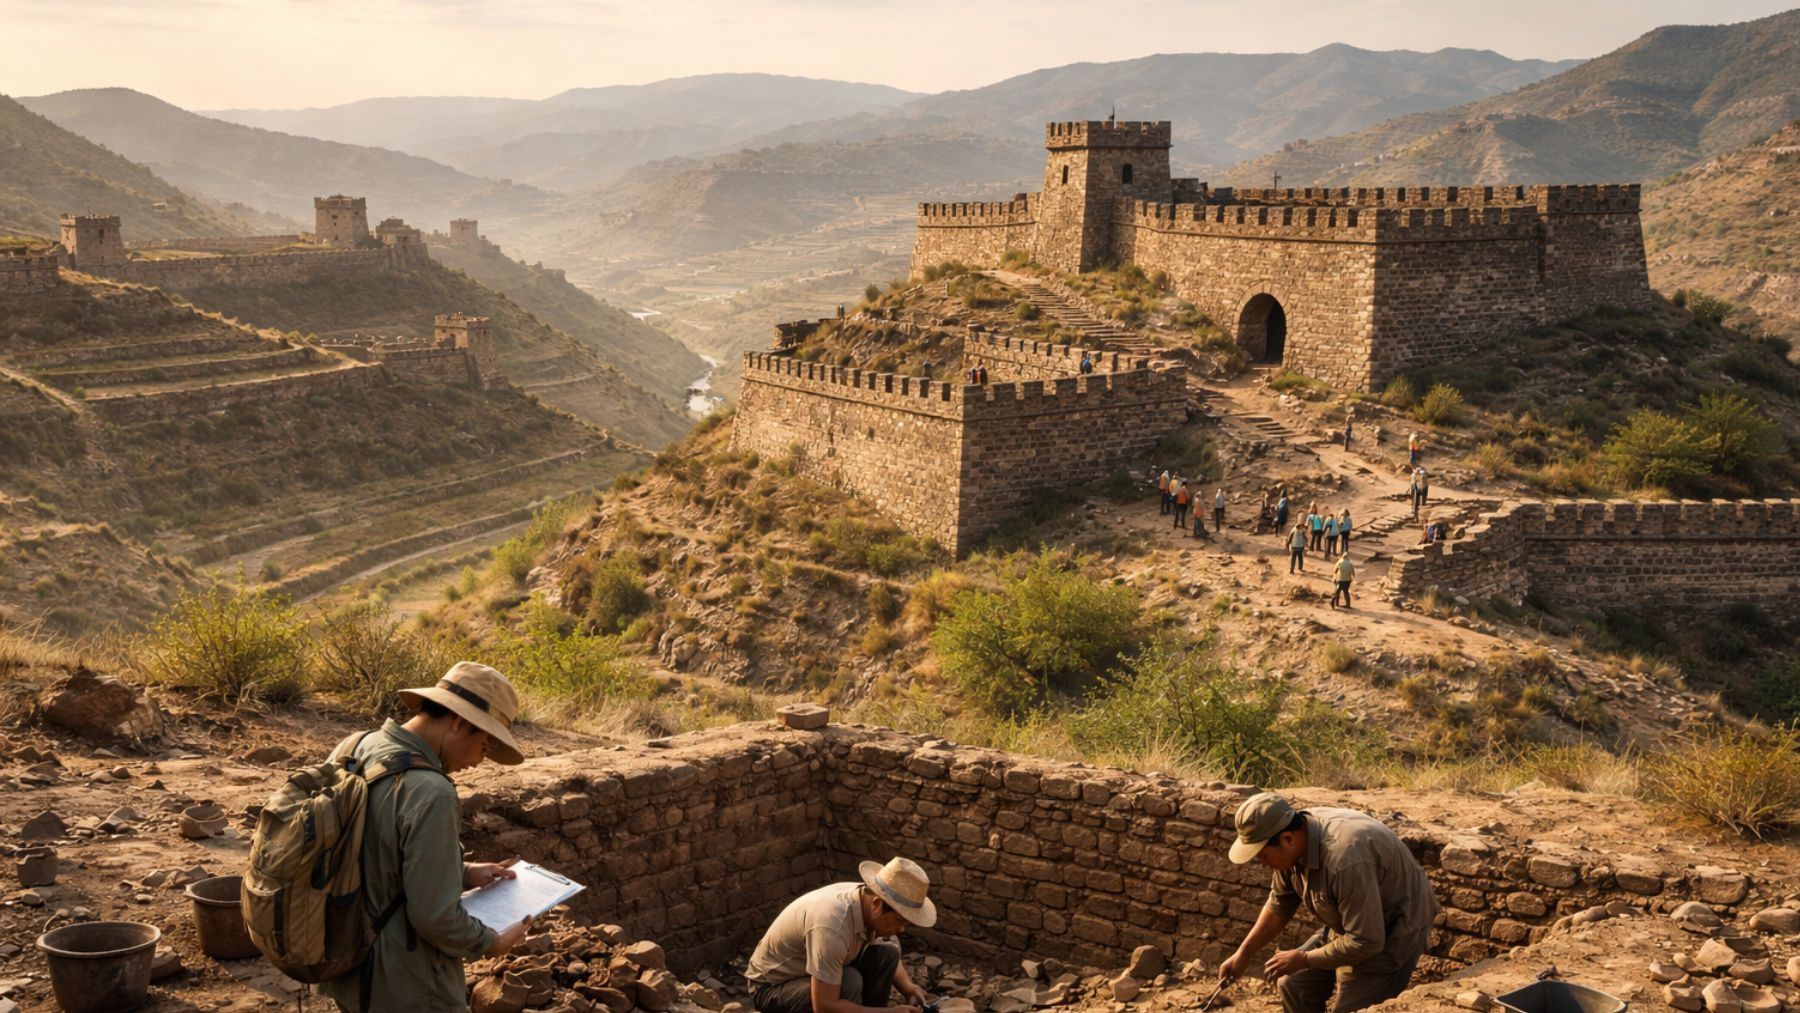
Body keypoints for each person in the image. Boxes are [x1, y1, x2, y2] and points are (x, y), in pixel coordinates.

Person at [318, 662, 533, 1013]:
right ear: (460, 723)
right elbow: (434, 918)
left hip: (345, 960)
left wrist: (460, 871)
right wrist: (491, 943)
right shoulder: (432, 791)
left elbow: (369, 849)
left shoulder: (356, 746)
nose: (480, 761)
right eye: (485, 745)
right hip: (406, 985)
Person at [1218, 793, 1440, 1013]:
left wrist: (1305, 959)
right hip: (1351, 922)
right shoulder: (1293, 842)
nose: (1262, 863)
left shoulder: (1344, 860)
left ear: (1287, 839)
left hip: (1395, 928)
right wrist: (1244, 953)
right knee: (1292, 983)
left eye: (1263, 856)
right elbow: (1280, 903)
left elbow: (1367, 940)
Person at [746, 857, 936, 1013]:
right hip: (772, 987)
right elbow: (824, 1006)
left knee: (888, 953)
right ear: (877, 904)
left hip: (814, 973)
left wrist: (908, 988)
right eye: (899, 920)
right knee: (849, 982)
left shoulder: (868, 900)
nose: (902, 929)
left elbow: (889, 944)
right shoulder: (833, 926)